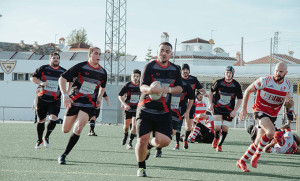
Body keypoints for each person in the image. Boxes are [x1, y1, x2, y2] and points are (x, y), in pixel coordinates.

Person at [135, 42, 183, 177]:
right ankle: (141, 167)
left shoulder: (175, 69)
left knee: (165, 141)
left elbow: (179, 88)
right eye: (162, 50)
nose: (164, 53)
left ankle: (150, 146)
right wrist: (150, 90)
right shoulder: (149, 66)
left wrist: (168, 89)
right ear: (157, 52)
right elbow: (142, 86)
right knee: (142, 140)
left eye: (167, 51)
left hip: (164, 111)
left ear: (171, 54)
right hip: (146, 110)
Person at [237, 62, 294, 172]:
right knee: (271, 131)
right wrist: (243, 109)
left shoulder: (288, 85)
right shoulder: (265, 81)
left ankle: (242, 161)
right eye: (276, 70)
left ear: (286, 73)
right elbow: (248, 90)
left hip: (272, 115)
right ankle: (256, 157)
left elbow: (289, 105)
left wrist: (289, 103)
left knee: (258, 141)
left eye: (280, 72)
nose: (277, 73)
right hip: (260, 111)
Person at [57, 47, 107, 164]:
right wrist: (65, 95)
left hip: (89, 103)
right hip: (74, 100)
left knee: (79, 127)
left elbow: (102, 87)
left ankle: (64, 155)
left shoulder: (103, 72)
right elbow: (62, 79)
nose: (98, 56)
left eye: (100, 54)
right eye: (96, 53)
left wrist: (99, 98)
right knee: (65, 129)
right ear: (89, 55)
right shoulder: (80, 67)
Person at [30, 52, 66, 149]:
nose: (56, 59)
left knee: (54, 118)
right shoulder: (43, 68)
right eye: (54, 58)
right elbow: (32, 78)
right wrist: (41, 83)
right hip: (42, 98)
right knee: (41, 120)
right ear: (50, 59)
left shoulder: (63, 71)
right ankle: (39, 140)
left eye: (57, 58)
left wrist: (66, 92)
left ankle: (46, 137)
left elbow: (71, 79)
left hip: (55, 99)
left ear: (59, 60)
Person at [208, 66, 243, 152]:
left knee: (225, 128)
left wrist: (235, 111)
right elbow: (211, 92)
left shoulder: (236, 85)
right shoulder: (218, 82)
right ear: (224, 73)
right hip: (218, 108)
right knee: (217, 127)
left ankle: (220, 145)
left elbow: (240, 99)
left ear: (232, 74)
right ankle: (216, 138)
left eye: (230, 73)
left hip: (229, 110)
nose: (228, 74)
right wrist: (210, 103)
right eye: (227, 72)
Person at [181, 63, 207, 149]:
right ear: (181, 71)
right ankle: (177, 142)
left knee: (188, 127)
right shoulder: (178, 79)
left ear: (189, 71)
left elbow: (201, 89)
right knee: (176, 124)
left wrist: (205, 94)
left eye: (187, 69)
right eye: (184, 69)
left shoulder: (193, 79)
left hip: (191, 105)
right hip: (180, 104)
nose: (185, 71)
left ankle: (185, 140)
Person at [118, 69, 141, 149]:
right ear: (131, 76)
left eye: (137, 76)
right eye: (134, 76)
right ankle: (125, 135)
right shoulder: (127, 85)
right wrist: (124, 104)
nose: (135, 78)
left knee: (134, 125)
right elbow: (120, 95)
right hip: (128, 108)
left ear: (139, 77)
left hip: (137, 109)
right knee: (126, 127)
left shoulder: (141, 86)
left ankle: (130, 142)